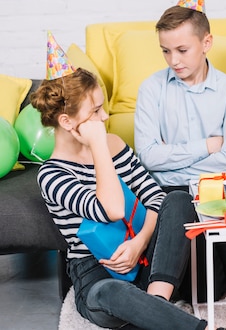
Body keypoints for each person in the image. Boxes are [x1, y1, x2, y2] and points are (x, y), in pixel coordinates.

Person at [34, 34, 206, 329]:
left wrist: (140, 243)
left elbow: (156, 197)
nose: (105, 116)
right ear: (67, 122)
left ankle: (156, 305)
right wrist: (98, 145)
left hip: (146, 260)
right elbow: (110, 210)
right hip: (96, 272)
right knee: (111, 293)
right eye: (95, 111)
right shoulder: (51, 175)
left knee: (178, 197)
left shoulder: (114, 144)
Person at [134, 0, 226, 301]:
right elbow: (147, 156)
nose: (173, 60)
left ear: (206, 43)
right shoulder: (151, 89)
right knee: (176, 199)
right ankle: (156, 300)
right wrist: (205, 146)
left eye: (181, 49)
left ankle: (164, 292)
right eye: (165, 51)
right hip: (166, 198)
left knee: (213, 290)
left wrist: (171, 160)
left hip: (217, 195)